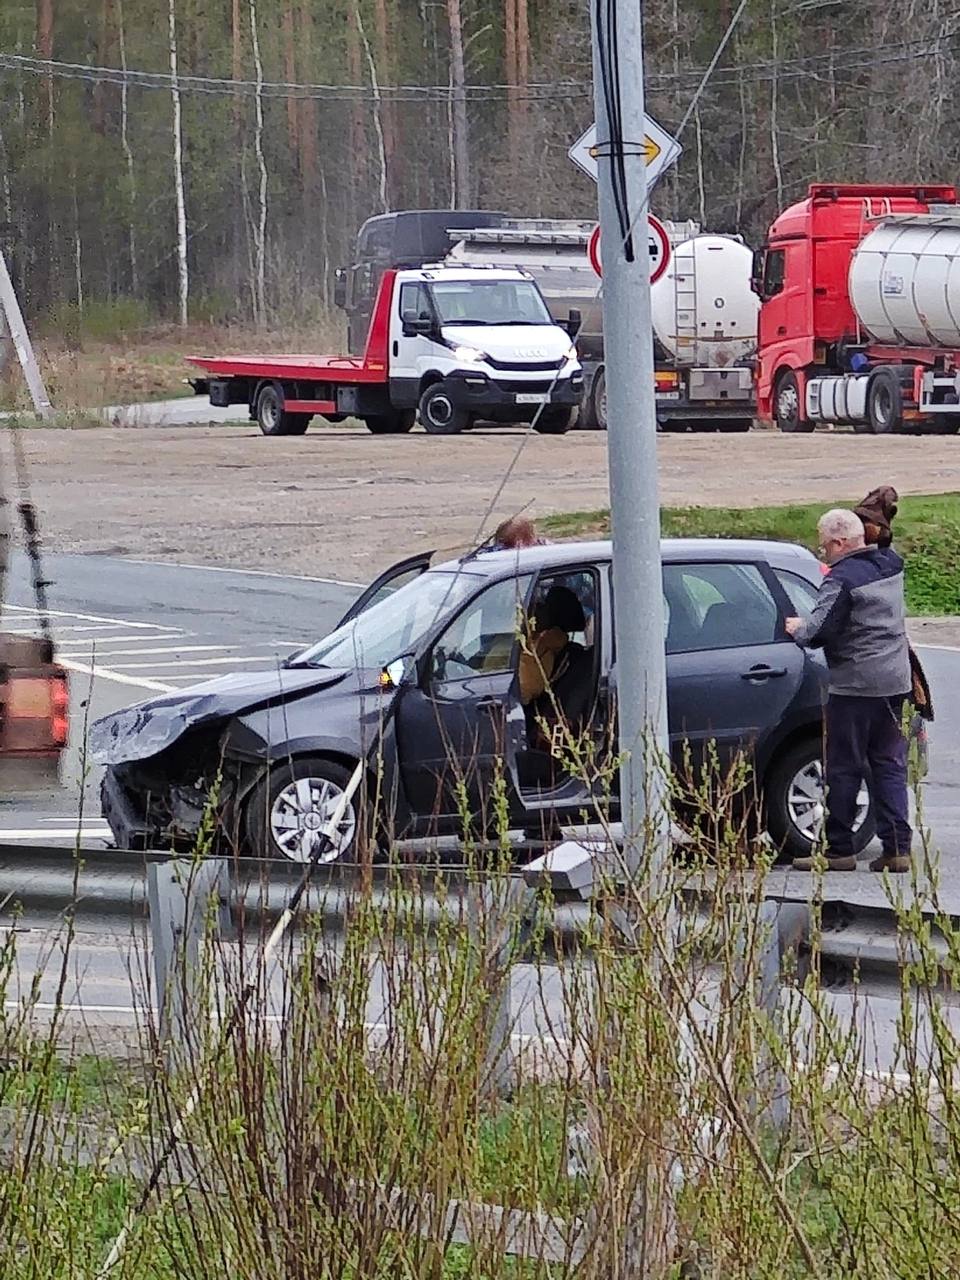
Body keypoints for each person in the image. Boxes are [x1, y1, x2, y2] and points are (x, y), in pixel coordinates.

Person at [785, 508, 913, 873]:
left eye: (824, 544)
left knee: (843, 767)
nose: (822, 551)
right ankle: (897, 849)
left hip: (855, 687)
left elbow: (819, 631)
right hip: (896, 683)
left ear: (840, 543)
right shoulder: (891, 564)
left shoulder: (841, 580)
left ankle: (839, 850)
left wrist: (798, 627)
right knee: (889, 764)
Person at [518, 584, 584, 706]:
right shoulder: (530, 640)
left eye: (541, 607)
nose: (536, 611)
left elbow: (525, 689)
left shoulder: (546, 641)